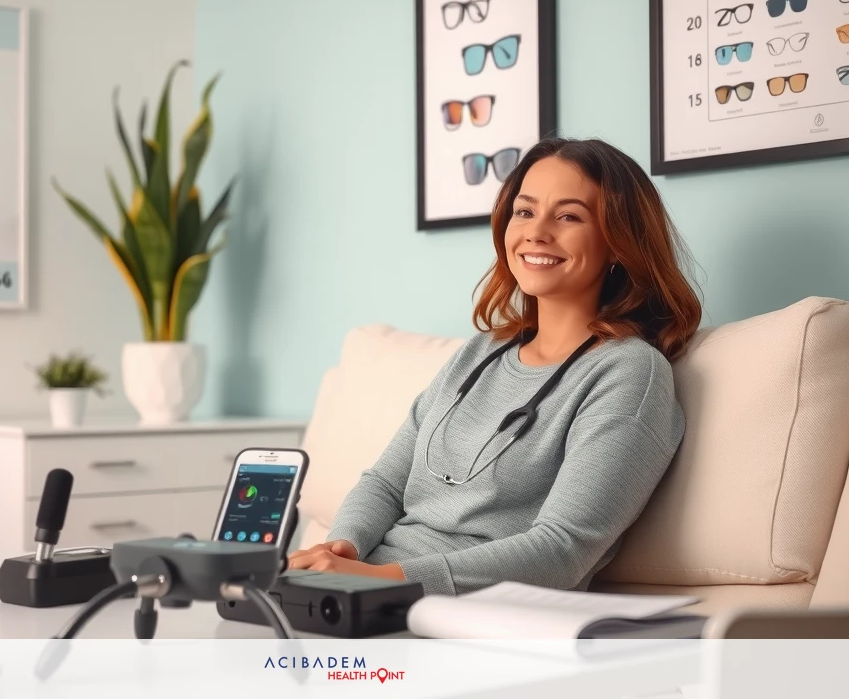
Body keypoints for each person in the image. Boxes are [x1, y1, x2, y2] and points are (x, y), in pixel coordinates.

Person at [286, 137, 703, 596]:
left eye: (568, 216)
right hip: (364, 588)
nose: (537, 232)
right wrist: (340, 554)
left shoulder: (628, 372)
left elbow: (560, 551)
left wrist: (382, 583)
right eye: (524, 211)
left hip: (455, 607)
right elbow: (385, 482)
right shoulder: (480, 353)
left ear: (618, 245)